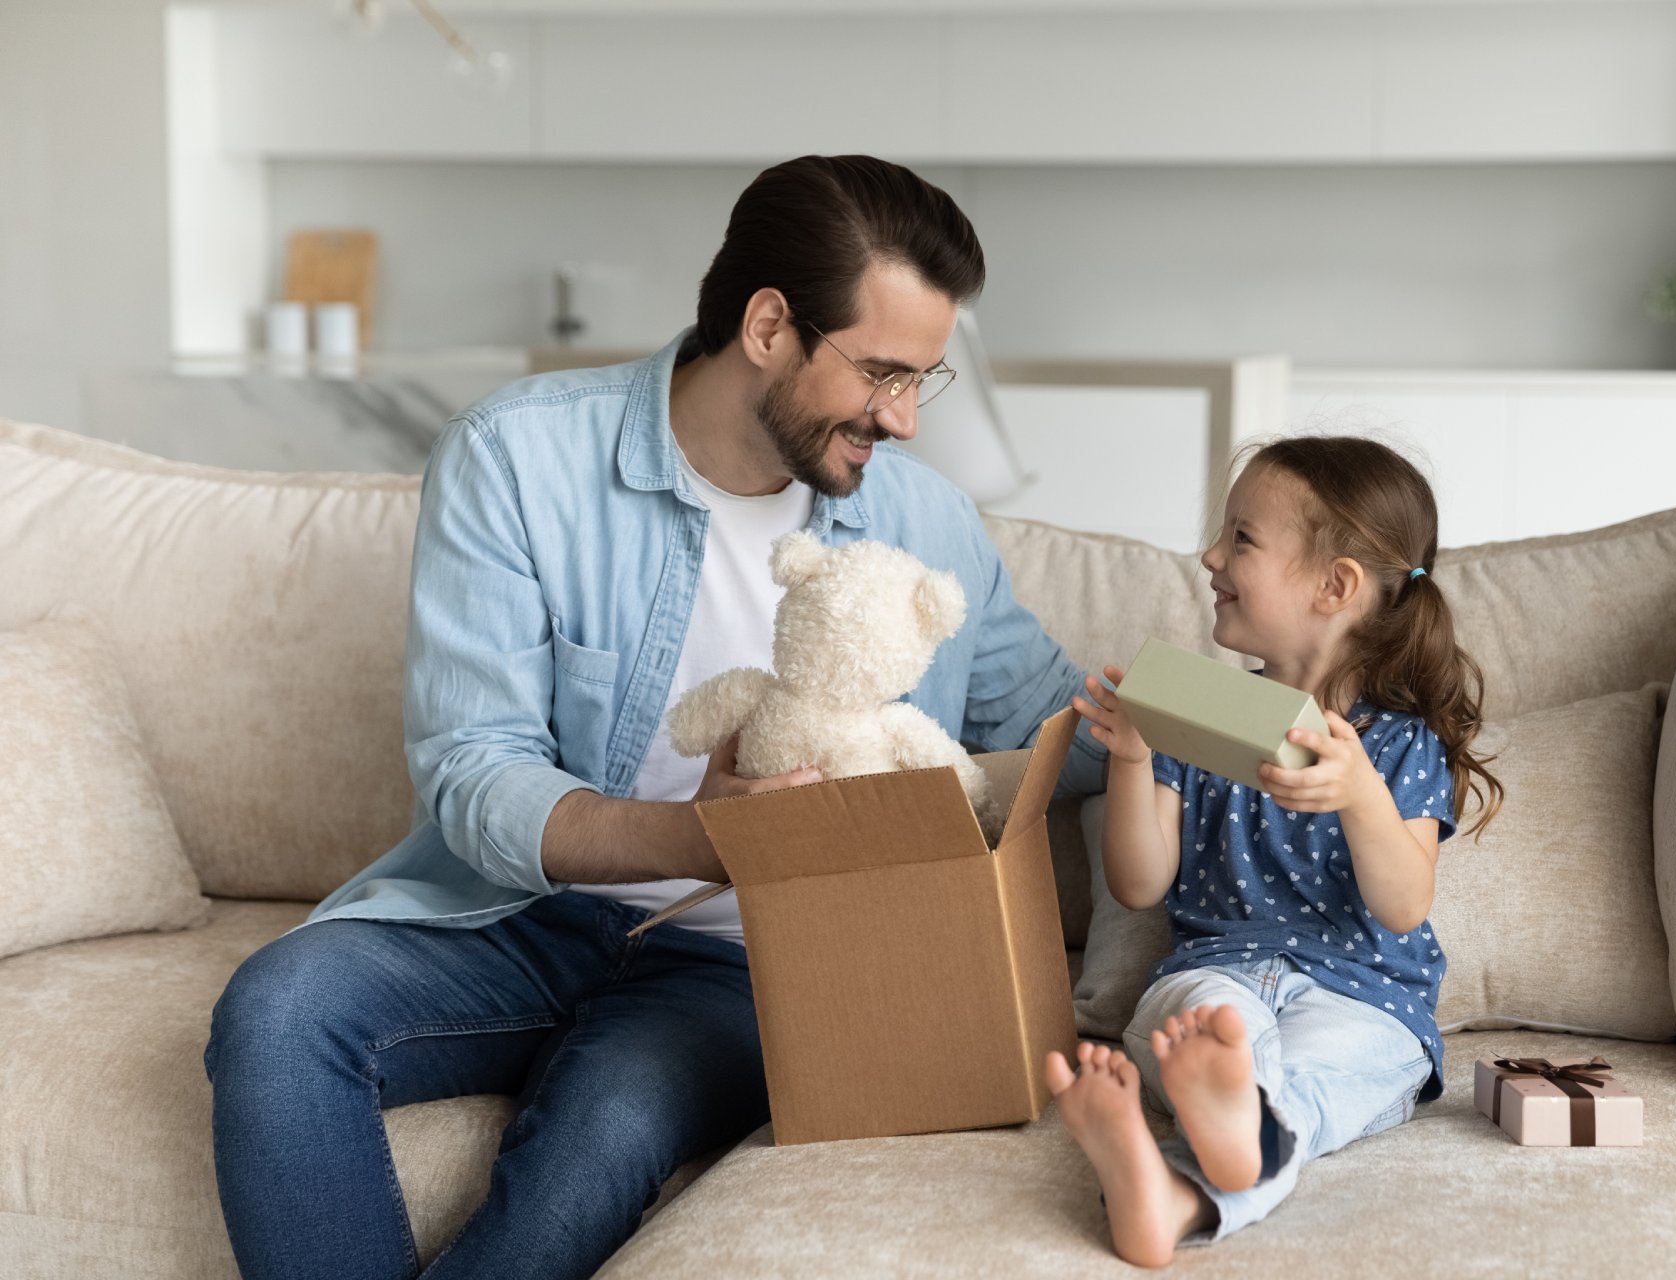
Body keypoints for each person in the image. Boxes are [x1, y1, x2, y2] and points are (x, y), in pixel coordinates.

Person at [202, 154, 1104, 1280]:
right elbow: (475, 772)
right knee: (279, 1012)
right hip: (518, 913)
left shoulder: (930, 525)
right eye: (881, 372)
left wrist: (1240, 722)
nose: (907, 417)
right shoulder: (518, 458)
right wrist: (697, 836)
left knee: (603, 1131)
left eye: (927, 378)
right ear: (769, 324)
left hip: (743, 964)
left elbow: (1060, 727)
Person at [1050, 435, 1503, 1267]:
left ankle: (1181, 1183)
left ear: (1335, 587)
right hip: (1217, 976)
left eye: (1242, 539)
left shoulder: (1399, 746)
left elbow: (1404, 904)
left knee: (1314, 1078)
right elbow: (1139, 882)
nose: (1210, 554)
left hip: (1366, 1001)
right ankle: (1223, 1129)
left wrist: (1360, 793)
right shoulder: (1200, 710)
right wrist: (1131, 757)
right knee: (1211, 1034)